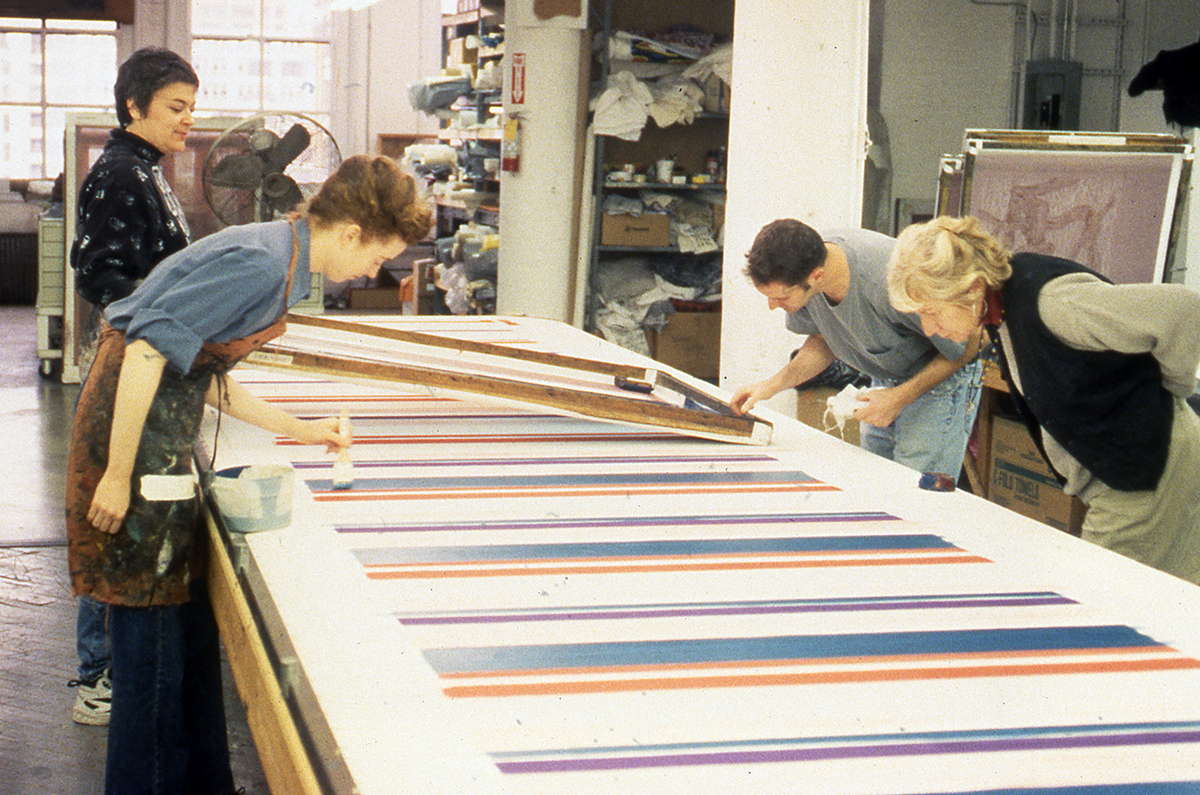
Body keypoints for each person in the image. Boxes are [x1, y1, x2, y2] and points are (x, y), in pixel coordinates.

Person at [65, 154, 434, 795]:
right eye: (377, 257)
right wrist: (118, 475)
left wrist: (303, 429)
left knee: (180, 628)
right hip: (132, 432)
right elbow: (147, 350)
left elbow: (201, 373)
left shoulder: (279, 256)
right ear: (352, 233)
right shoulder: (263, 264)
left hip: (157, 424)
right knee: (152, 646)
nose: (372, 272)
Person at [888, 215, 1200, 584]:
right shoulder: (1000, 307)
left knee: (1102, 598)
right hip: (1132, 464)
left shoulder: (1053, 303)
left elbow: (1182, 309)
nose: (928, 328)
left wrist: (1174, 389)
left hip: (1149, 465)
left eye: (930, 312)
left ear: (972, 288)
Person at [68, 46, 200, 726]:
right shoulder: (121, 172)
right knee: (110, 508)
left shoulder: (146, 169)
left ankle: (112, 666)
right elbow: (100, 274)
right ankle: (99, 676)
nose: (188, 121)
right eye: (176, 107)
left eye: (191, 108)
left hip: (151, 357)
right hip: (131, 363)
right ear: (133, 106)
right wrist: (164, 323)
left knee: (123, 511)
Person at [730, 218, 983, 482]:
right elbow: (822, 341)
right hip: (888, 373)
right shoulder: (801, 263)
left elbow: (968, 345)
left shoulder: (889, 278)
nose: (772, 306)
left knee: (915, 487)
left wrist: (898, 398)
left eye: (781, 297)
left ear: (817, 276)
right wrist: (770, 386)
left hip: (941, 373)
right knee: (876, 479)